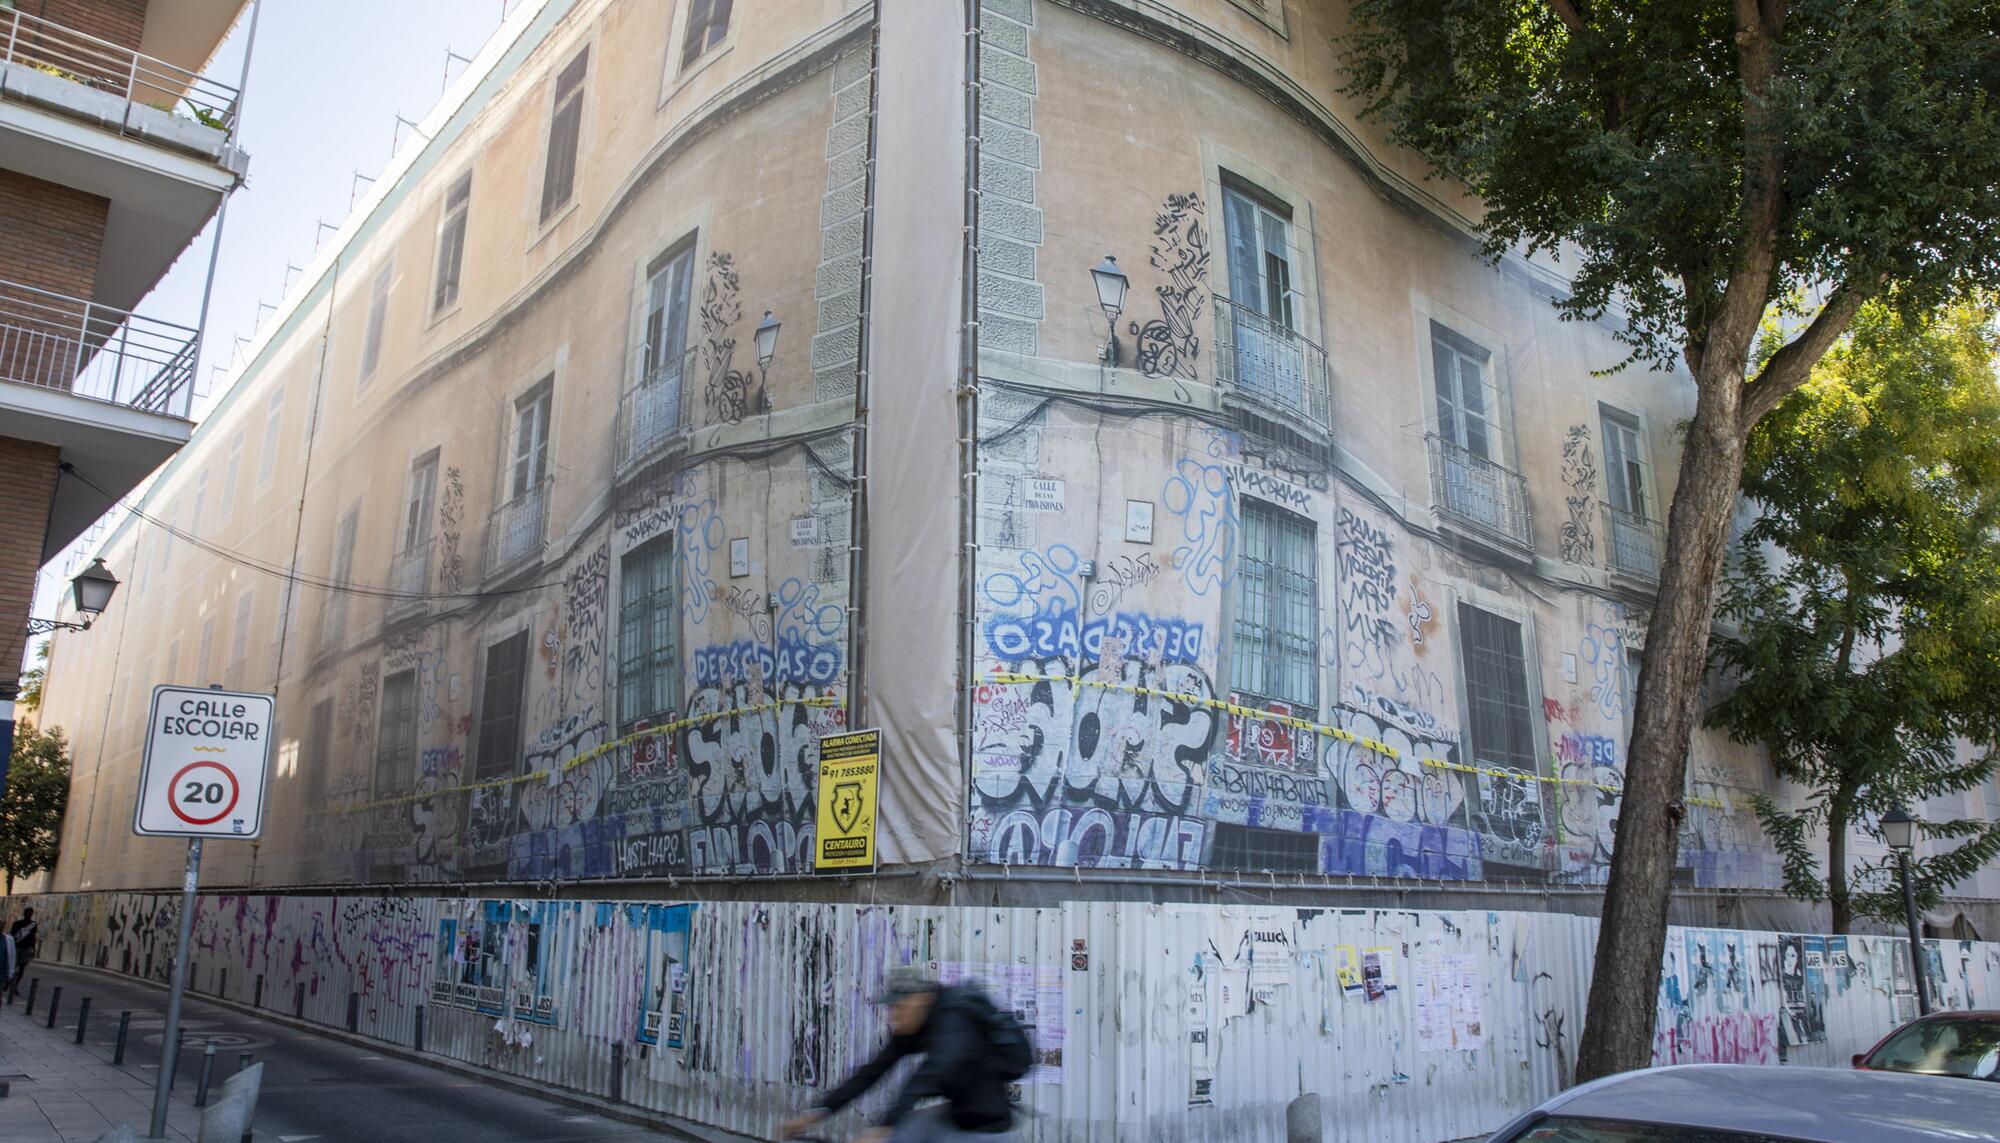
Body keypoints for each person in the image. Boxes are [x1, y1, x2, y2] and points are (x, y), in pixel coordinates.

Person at [779, 967, 1013, 1142]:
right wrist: (816, 1113)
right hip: (956, 1113)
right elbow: (873, 1071)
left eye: (897, 1007)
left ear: (920, 1000)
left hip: (986, 1125)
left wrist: (884, 1126)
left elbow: (928, 1076)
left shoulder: (954, 1018)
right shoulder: (920, 1021)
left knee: (897, 1134)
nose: (892, 1016)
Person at [7, 907, 37, 1000]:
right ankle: (8, 983)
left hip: (26, 948)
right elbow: (11, 936)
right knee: (12, 967)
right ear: (24, 913)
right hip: (17, 947)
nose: (29, 915)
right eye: (27, 913)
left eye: (30, 913)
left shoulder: (33, 924)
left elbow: (33, 938)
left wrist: (33, 950)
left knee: (22, 968)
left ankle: (15, 986)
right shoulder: (17, 924)